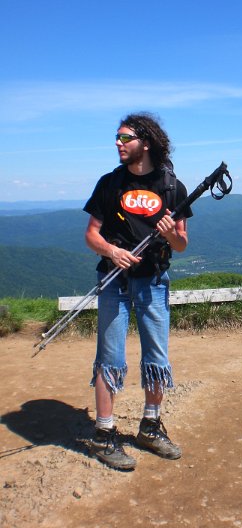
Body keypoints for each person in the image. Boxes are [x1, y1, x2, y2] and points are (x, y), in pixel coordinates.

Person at [83, 112, 192, 470]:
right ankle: (104, 433)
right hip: (113, 280)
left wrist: (170, 233)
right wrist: (111, 251)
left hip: (153, 281)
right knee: (109, 357)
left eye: (125, 137)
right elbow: (91, 235)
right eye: (117, 137)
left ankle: (150, 427)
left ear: (145, 142)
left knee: (156, 358)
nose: (118, 143)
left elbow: (181, 244)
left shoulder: (172, 187)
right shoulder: (109, 184)